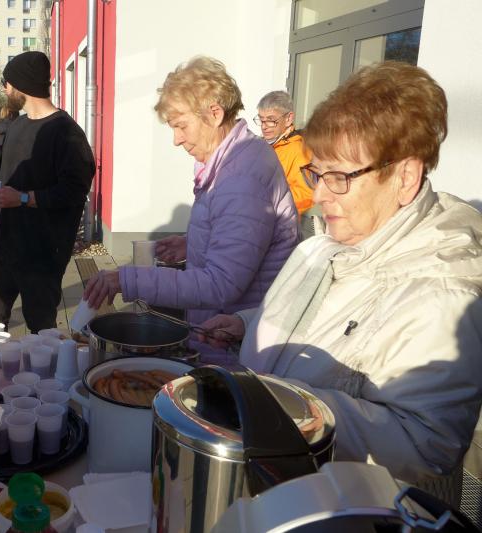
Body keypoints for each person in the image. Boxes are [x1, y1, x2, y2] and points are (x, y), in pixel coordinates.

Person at [199, 61, 482, 503]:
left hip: (352, 509)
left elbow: (425, 447)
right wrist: (246, 324)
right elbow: (316, 312)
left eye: (339, 177)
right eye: (317, 173)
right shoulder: (329, 242)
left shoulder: (442, 293)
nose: (319, 195)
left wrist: (278, 403)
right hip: (280, 482)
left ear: (404, 177)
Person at [84, 56, 298, 363]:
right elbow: (241, 236)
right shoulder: (233, 161)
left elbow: (220, 283)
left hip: (239, 350)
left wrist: (126, 280)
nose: (176, 139)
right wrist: (193, 242)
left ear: (214, 113)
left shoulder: (241, 177)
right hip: (225, 335)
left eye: (181, 126)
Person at [0, 51, 95, 332]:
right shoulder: (19, 125)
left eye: (6, 83)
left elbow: (74, 190)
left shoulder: (66, 132)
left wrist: (23, 198)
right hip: (1, 246)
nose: (4, 89)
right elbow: (6, 159)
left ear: (21, 84)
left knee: (41, 331)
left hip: (41, 253)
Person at [255, 90, 313, 215]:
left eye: (271, 120)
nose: (264, 126)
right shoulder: (260, 145)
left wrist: (266, 204)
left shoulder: (299, 151)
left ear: (288, 118)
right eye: (261, 120)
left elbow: (306, 195)